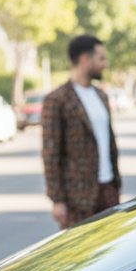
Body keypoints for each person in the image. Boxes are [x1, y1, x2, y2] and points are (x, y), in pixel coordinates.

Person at [42, 34, 121, 229]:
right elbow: (50, 153)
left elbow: (108, 142)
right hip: (77, 199)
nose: (106, 63)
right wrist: (57, 200)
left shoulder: (101, 95)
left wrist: (115, 186)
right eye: (101, 58)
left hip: (108, 188)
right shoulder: (57, 99)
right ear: (85, 60)